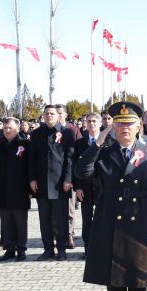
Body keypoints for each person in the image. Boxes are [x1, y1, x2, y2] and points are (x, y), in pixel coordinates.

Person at [75, 102, 147, 291]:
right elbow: (82, 171)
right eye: (120, 124)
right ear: (113, 127)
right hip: (109, 222)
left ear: (139, 126)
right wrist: (99, 140)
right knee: (114, 284)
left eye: (130, 124)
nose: (125, 128)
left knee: (136, 283)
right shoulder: (103, 152)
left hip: (139, 224)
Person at [28, 105, 75, 261]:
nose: (49, 116)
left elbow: (69, 158)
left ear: (58, 116)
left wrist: (68, 179)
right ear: (43, 115)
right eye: (46, 113)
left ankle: (61, 249)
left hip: (60, 183)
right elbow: (32, 159)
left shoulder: (67, 133)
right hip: (41, 183)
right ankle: (48, 249)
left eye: (52, 113)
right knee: (45, 219)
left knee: (61, 219)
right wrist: (32, 178)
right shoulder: (36, 133)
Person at [0, 117, 31, 261]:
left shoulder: (25, 144)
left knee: (20, 222)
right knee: (6, 221)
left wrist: (30, 190)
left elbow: (29, 167)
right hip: (2, 189)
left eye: (10, 128)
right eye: (5, 128)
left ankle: (21, 249)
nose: (7, 131)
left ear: (18, 128)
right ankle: (9, 249)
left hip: (20, 189)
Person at [73, 112, 111, 260]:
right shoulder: (80, 143)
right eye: (89, 121)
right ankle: (88, 249)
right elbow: (76, 166)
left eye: (94, 121)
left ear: (100, 123)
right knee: (87, 220)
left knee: (103, 219)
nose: (91, 124)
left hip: (103, 187)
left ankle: (103, 248)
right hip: (85, 187)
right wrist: (78, 187)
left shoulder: (109, 142)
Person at [57, 104, 83, 249]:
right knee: (55, 210)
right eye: (57, 113)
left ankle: (69, 235)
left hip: (69, 176)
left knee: (69, 209)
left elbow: (76, 154)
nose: (59, 115)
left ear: (66, 115)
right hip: (53, 177)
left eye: (61, 113)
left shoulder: (72, 130)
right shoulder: (49, 131)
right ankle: (57, 236)